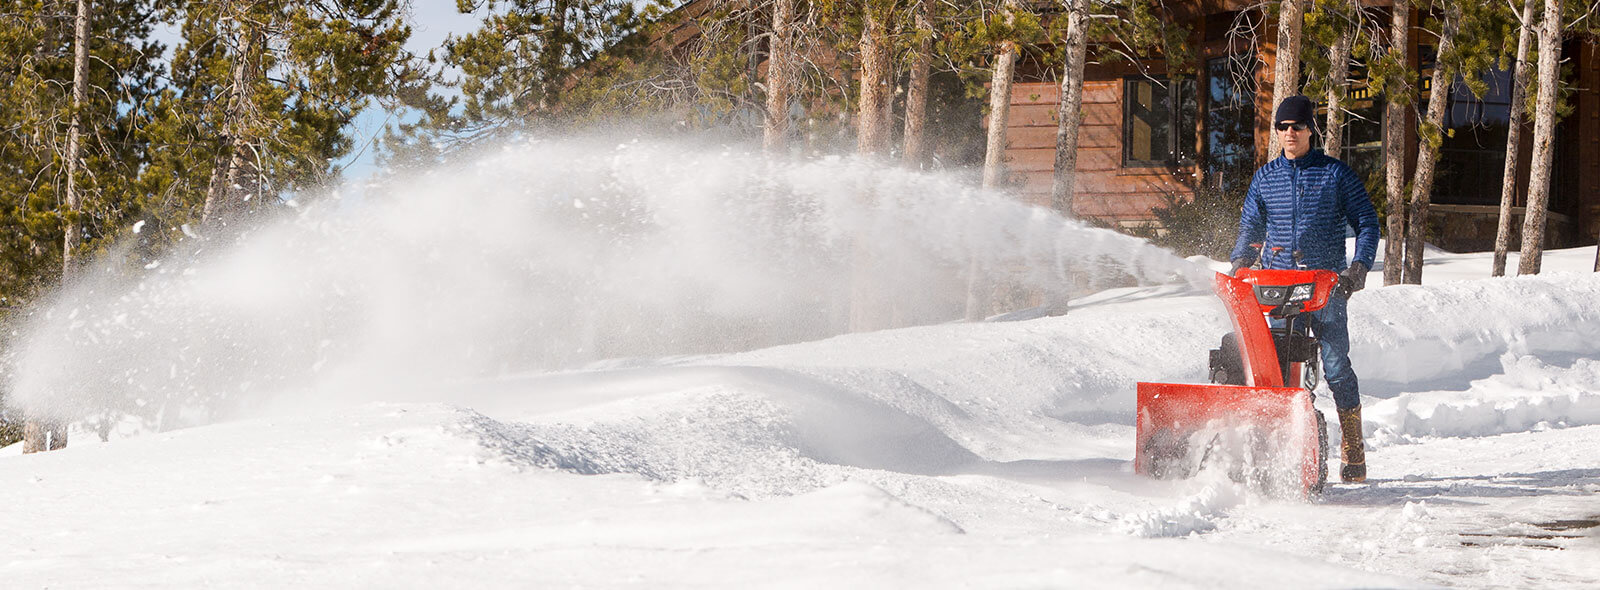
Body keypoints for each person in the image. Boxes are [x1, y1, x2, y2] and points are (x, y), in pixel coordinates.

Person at [1229, 95, 1381, 483]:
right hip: (1278, 290)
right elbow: (1250, 228)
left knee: (1335, 365)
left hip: (1326, 287)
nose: (1289, 133)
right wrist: (1241, 263)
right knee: (1273, 368)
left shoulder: (1335, 174)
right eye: (1282, 127)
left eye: (1296, 126)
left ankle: (1353, 446)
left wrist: (1358, 269)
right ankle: (1275, 449)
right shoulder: (1266, 178)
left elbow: (1367, 221)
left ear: (1311, 129)